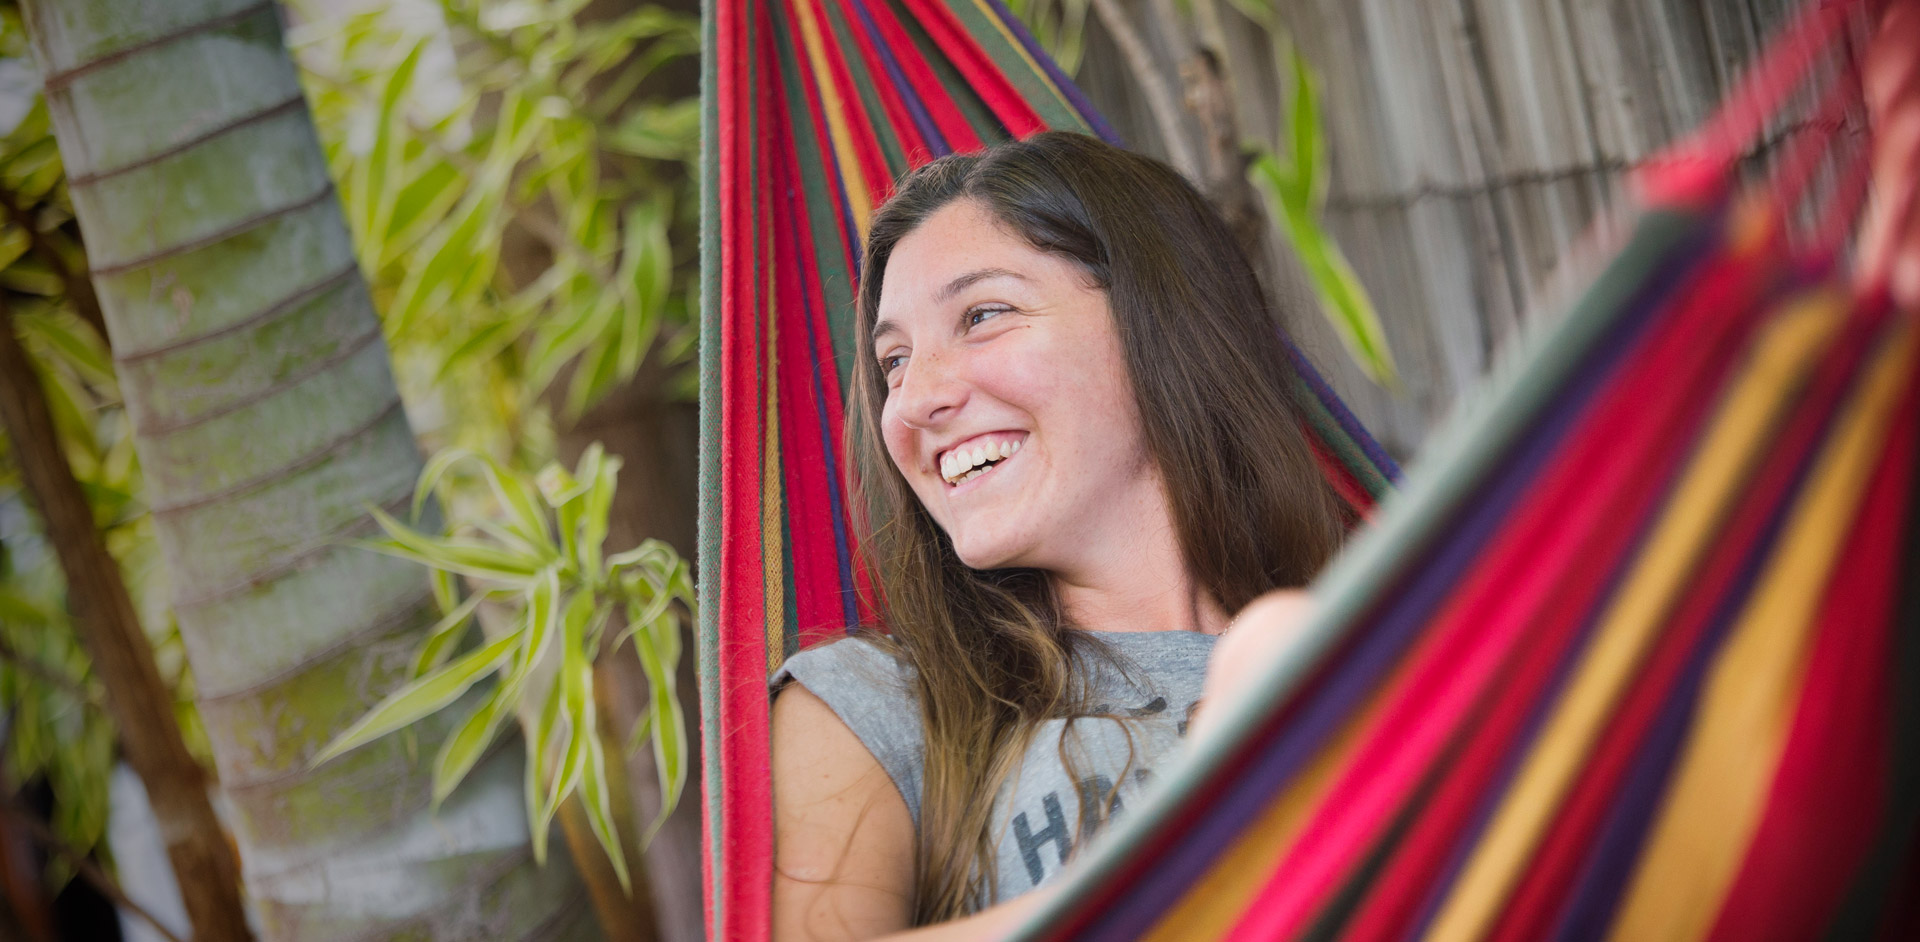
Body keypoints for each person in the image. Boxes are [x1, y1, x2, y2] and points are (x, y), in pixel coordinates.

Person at [767, 3, 1920, 939]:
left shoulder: (1400, 632)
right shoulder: (881, 703)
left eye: (983, 315)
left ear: (1156, 324)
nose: (913, 401)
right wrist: (1185, 850)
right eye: (892, 362)